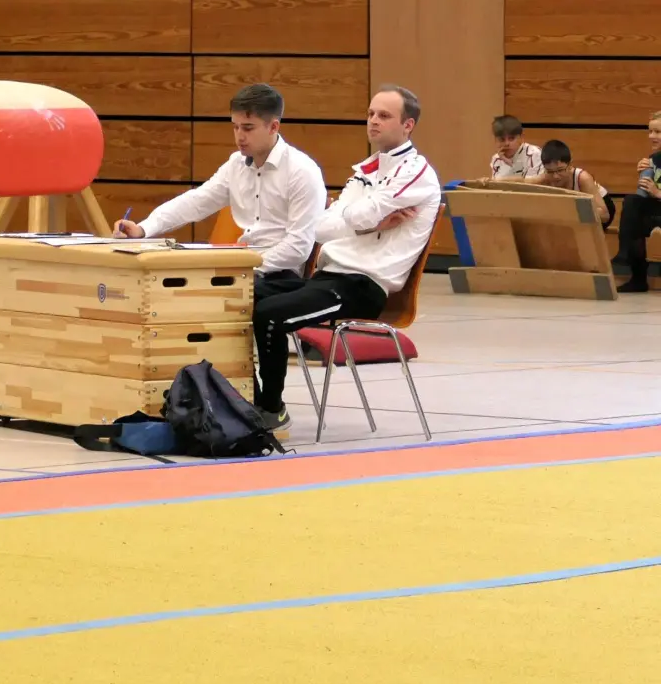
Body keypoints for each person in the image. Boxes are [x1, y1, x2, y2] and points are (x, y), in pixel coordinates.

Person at [250, 85, 443, 432]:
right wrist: (364, 225)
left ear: (408, 125)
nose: (373, 122)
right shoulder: (365, 171)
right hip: (327, 277)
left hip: (363, 286)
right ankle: (241, 396)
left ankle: (270, 409)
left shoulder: (417, 173)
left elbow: (362, 213)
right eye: (371, 114)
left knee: (269, 315)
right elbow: (320, 227)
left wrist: (357, 219)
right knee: (239, 295)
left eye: (384, 116)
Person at [114, 83, 326, 294]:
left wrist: (243, 266)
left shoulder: (302, 171)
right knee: (170, 287)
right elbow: (196, 202)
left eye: (248, 128)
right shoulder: (236, 164)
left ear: (273, 127)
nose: (239, 136)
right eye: (235, 126)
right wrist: (143, 228)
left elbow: (298, 247)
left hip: (280, 275)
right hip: (244, 268)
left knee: (200, 295)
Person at [486, 138, 611, 227]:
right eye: (550, 171)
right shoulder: (546, 178)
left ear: (570, 165)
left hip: (603, 205)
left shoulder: (583, 178)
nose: (556, 176)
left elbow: (605, 215)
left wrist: (572, 211)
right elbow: (523, 182)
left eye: (560, 170)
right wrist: (494, 180)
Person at [614, 111, 661, 293]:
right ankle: (637, 276)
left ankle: (625, 253)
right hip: (656, 209)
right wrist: (644, 179)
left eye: (657, 132)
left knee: (635, 213)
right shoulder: (654, 159)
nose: (652, 136)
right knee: (632, 205)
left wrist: (657, 191)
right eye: (650, 131)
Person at [488, 115, 543, 180]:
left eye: (511, 138)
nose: (506, 143)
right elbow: (497, 187)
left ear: (521, 138)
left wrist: (511, 165)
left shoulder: (534, 154)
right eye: (502, 139)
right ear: (495, 140)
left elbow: (531, 186)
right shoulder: (496, 159)